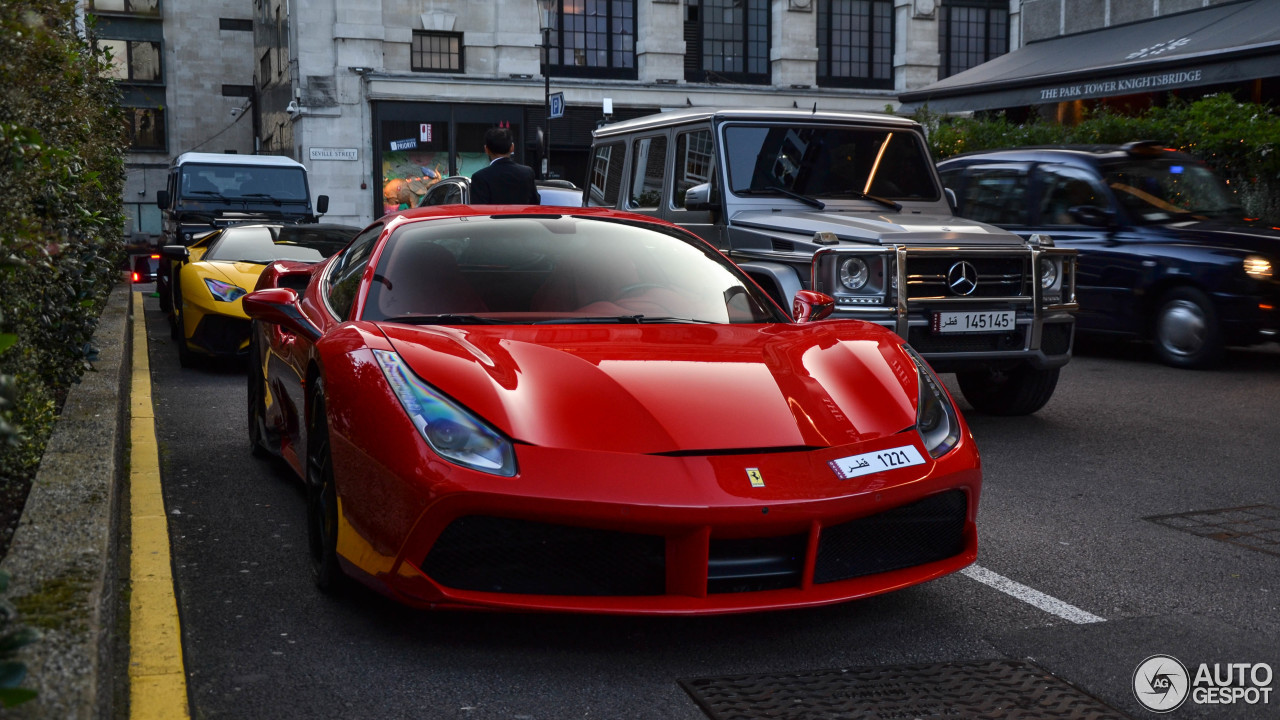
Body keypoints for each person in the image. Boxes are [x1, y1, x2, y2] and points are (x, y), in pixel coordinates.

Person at [469, 127, 541, 205]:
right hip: (522, 217)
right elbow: (535, 203)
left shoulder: (479, 177)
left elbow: (478, 210)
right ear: (512, 148)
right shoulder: (527, 173)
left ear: (486, 149)